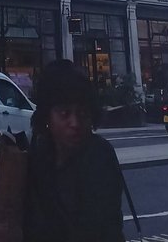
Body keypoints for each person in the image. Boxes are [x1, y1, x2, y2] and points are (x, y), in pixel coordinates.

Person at [24, 60, 125, 242]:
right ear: (47, 116)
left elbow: (105, 225)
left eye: (82, 113)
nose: (75, 123)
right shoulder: (37, 156)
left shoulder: (100, 156)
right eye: (64, 114)